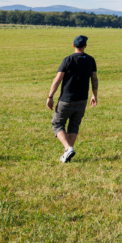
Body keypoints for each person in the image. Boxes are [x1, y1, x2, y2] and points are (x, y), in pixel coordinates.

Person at [46, 34, 98, 163]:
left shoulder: (68, 59)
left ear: (73, 45)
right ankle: (67, 154)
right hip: (82, 99)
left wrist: (50, 96)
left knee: (58, 124)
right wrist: (94, 95)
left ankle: (68, 148)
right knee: (74, 125)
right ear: (85, 46)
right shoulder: (91, 60)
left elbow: (57, 79)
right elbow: (94, 79)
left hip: (66, 99)